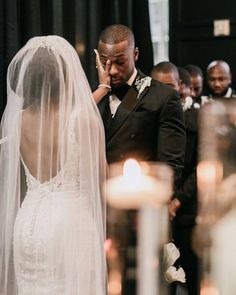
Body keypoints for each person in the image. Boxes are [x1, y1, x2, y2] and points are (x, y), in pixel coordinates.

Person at [0, 35, 107, 294]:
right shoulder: (83, 119)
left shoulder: (17, 120)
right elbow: (102, 181)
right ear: (65, 75)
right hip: (70, 224)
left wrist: (101, 90)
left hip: (27, 227)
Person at [95, 24, 186, 293]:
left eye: (119, 62)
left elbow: (171, 166)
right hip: (96, 220)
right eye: (104, 62)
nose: (112, 71)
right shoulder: (91, 97)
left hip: (140, 223)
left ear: (135, 54)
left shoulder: (163, 97)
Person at [151, 62, 200, 295]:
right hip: (157, 211)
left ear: (180, 86)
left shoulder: (196, 118)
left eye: (169, 86)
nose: (165, 92)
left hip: (188, 211)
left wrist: (178, 200)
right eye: (159, 87)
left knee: (193, 276)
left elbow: (201, 167)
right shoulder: (147, 119)